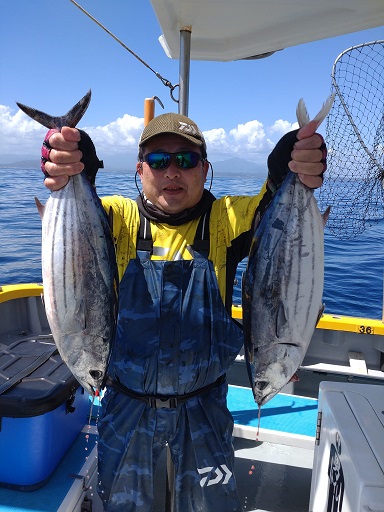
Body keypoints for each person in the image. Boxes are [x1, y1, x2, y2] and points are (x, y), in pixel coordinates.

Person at [41, 112, 327, 512]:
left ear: (205, 169)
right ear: (140, 170)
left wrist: (289, 164)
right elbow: (78, 218)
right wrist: (75, 159)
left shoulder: (226, 219)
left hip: (205, 411)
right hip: (126, 410)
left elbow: (273, 209)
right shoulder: (119, 219)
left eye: (186, 161)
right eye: (158, 161)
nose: (172, 172)